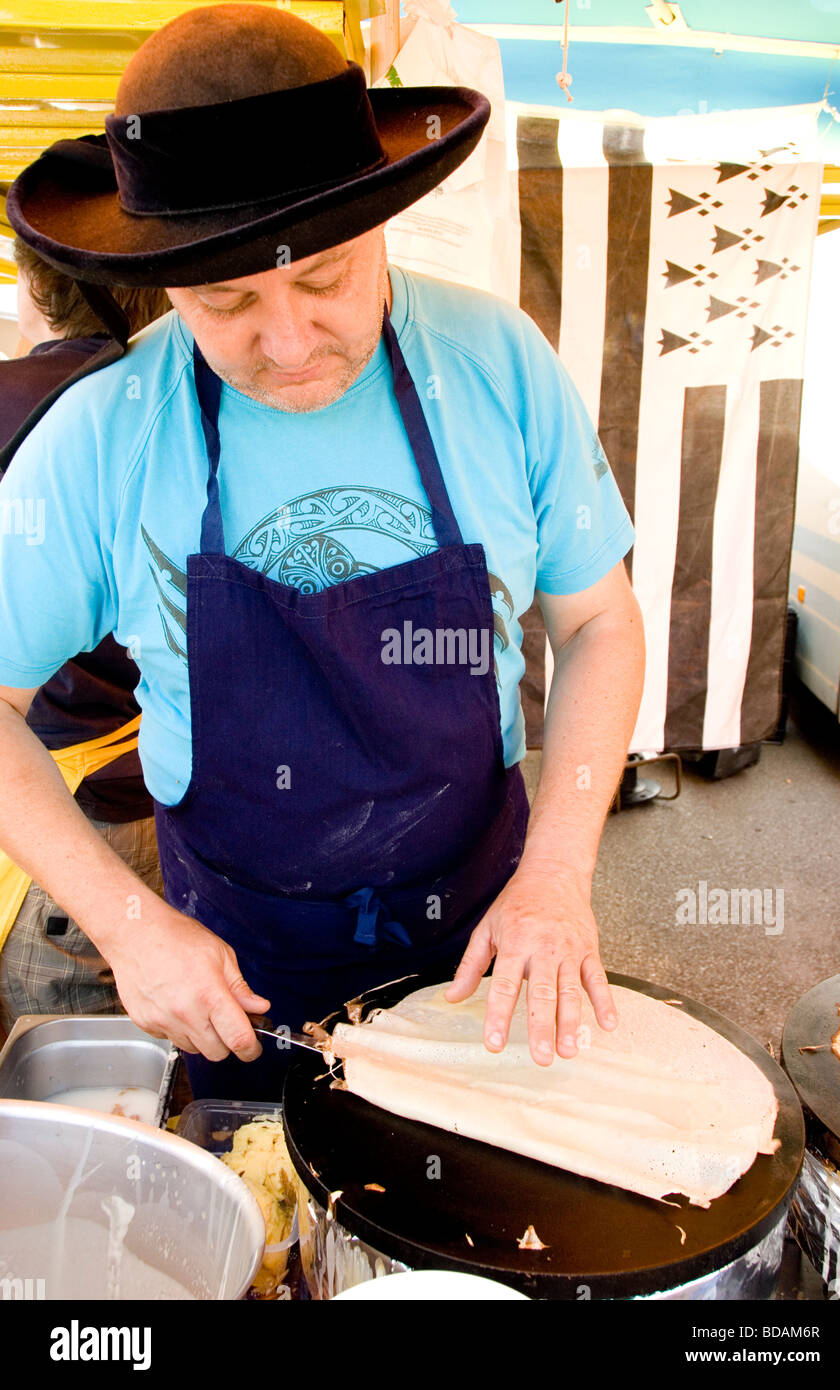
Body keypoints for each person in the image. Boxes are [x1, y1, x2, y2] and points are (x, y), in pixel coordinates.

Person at [0, 3, 645, 1099]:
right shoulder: (106, 433)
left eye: (324, 278)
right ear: (163, 278)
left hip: (487, 933)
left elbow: (600, 624)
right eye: (227, 300)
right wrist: (127, 923)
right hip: (242, 967)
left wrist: (560, 871)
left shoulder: (499, 363)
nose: (289, 344)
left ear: (384, 220)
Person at [0, 243, 170, 1031]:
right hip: (156, 778)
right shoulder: (177, 399)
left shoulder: (12, 396)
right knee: (132, 1018)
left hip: (43, 800)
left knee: (55, 1031)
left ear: (35, 281)